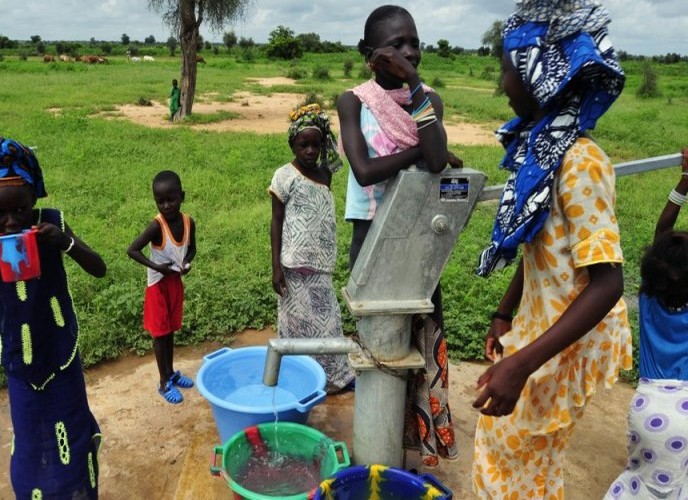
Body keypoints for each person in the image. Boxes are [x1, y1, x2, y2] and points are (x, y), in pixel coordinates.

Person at [471, 2, 632, 497]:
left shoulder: (581, 161)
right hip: (540, 323)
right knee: (510, 452)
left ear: (537, 72)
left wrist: (520, 365)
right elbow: (537, 241)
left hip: (566, 340)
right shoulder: (543, 149)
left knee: (513, 454)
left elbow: (607, 283)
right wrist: (505, 312)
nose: (503, 83)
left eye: (506, 69)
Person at [0, 134, 106, 498]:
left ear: (35, 198)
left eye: (21, 209)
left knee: (73, 435)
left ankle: (81, 491)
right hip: (19, 364)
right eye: (0, 212)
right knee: (32, 442)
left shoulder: (52, 224)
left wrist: (65, 243)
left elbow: (99, 268)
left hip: (61, 358)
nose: (12, 221)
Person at [336, 4, 460, 467]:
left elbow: (434, 160)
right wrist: (426, 152)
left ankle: (411, 449)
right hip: (371, 236)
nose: (410, 52)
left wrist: (411, 83)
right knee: (380, 343)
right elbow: (366, 171)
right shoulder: (353, 101)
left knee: (421, 345)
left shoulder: (428, 98)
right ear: (370, 55)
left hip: (420, 241)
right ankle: (376, 444)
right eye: (397, 45)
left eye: (415, 43)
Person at [604, 148, 688, 500]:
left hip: (647, 402)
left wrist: (686, 180)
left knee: (641, 479)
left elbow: (662, 230)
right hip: (685, 407)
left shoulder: (651, 297)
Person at [269, 103, 355, 393]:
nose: (309, 151)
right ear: (292, 144)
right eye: (303, 144)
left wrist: (326, 129)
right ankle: (297, 379)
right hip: (292, 266)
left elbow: (336, 153)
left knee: (328, 323)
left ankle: (335, 380)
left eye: (315, 145)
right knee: (295, 326)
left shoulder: (325, 174)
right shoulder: (284, 176)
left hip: (320, 265)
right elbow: (276, 221)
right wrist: (276, 266)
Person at [127, 170, 196, 404]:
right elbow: (132, 250)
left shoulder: (188, 222)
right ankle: (163, 382)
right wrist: (157, 266)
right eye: (160, 201)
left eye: (171, 199)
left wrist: (187, 263)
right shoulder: (156, 226)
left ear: (182, 197)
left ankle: (171, 372)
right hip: (157, 286)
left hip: (174, 282)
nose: (166, 205)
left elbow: (192, 249)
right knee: (160, 334)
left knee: (171, 332)